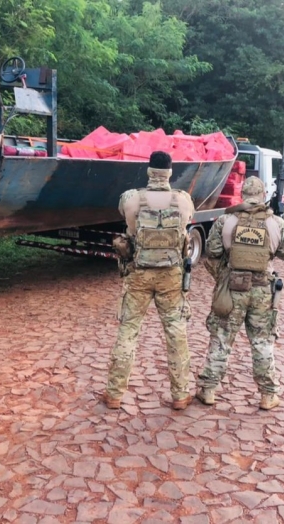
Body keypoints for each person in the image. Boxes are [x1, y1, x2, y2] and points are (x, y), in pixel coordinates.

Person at [104, 151, 195, 410]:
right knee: (176, 334)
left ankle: (114, 394)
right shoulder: (183, 200)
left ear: (148, 171)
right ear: (170, 172)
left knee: (128, 332)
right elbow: (188, 223)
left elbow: (125, 218)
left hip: (139, 275)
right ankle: (180, 395)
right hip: (171, 276)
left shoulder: (131, 198)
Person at [196, 176, 284, 410]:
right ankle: (268, 394)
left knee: (221, 338)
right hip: (262, 291)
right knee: (262, 342)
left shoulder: (225, 220)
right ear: (262, 196)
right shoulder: (277, 223)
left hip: (232, 289)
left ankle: (208, 390)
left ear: (243, 195)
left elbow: (212, 250)